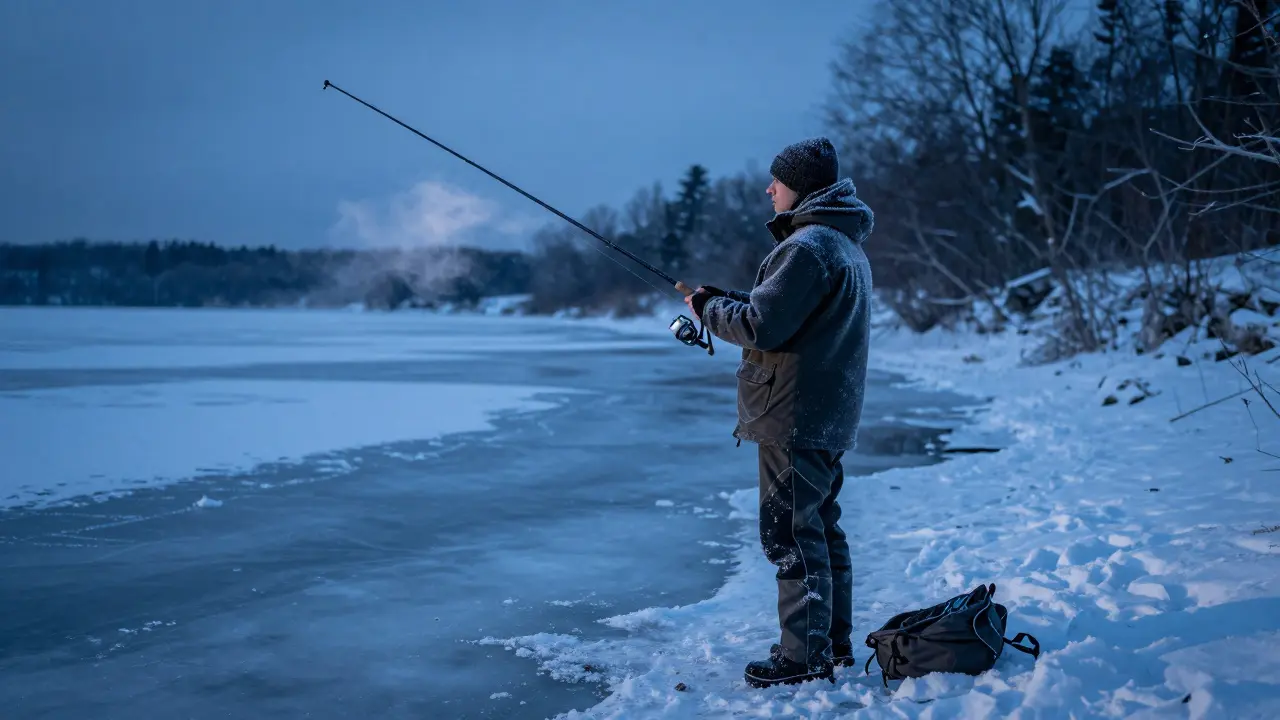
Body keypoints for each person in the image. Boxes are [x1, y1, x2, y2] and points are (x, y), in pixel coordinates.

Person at [684, 137, 874, 688]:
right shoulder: (841, 245)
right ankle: (830, 643)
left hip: (794, 414)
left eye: (778, 181)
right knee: (820, 529)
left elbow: (760, 327)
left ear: (802, 188)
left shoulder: (807, 247)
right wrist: (725, 298)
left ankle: (803, 656)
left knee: (790, 535)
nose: (770, 190)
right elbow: (785, 311)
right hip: (826, 413)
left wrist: (709, 309)